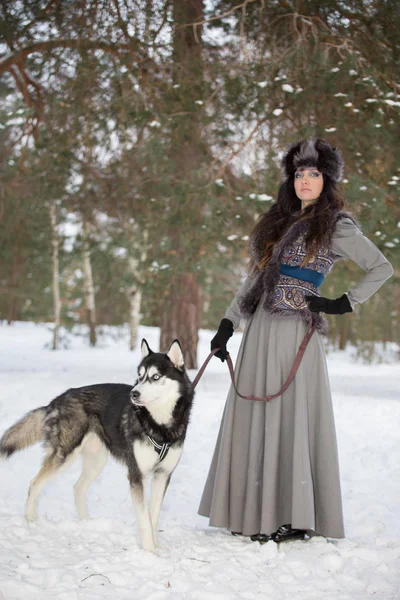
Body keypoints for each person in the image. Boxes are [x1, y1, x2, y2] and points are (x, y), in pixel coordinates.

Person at [198, 137, 394, 543]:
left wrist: (341, 303)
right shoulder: (276, 224)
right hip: (260, 332)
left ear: (328, 180)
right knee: (256, 419)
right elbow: (253, 281)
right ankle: (253, 511)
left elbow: (381, 266)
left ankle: (294, 516)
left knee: (289, 418)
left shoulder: (336, 225)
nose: (305, 180)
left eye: (314, 173)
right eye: (299, 173)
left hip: (294, 334)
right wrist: (227, 325)